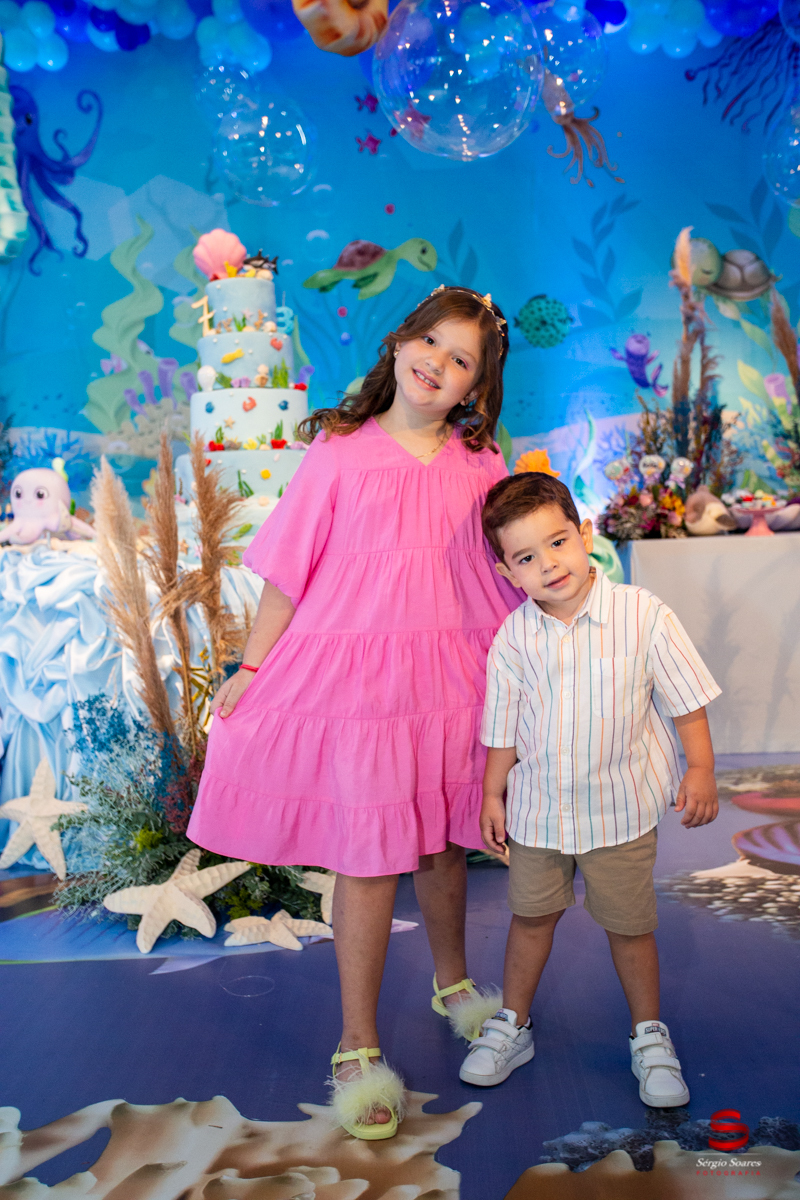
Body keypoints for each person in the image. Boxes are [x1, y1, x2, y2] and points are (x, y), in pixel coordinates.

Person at [187, 286, 521, 1140]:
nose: (437, 365)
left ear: (476, 387)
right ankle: (358, 1043)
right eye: (431, 343)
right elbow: (288, 571)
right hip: (362, 689)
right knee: (368, 860)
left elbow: (507, 569)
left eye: (461, 361)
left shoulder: (481, 461)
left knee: (444, 845)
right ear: (399, 341)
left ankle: (453, 983)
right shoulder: (339, 449)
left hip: (453, 680)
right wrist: (252, 665)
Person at [459, 471, 720, 1107]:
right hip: (539, 814)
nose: (549, 565)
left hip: (619, 810)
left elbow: (686, 701)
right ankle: (513, 1023)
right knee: (530, 918)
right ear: (506, 572)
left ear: (584, 533)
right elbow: (503, 729)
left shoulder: (643, 614)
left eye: (557, 543)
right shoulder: (514, 637)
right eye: (526, 557)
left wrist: (701, 769)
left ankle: (648, 1034)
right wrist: (492, 794)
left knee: (630, 926)